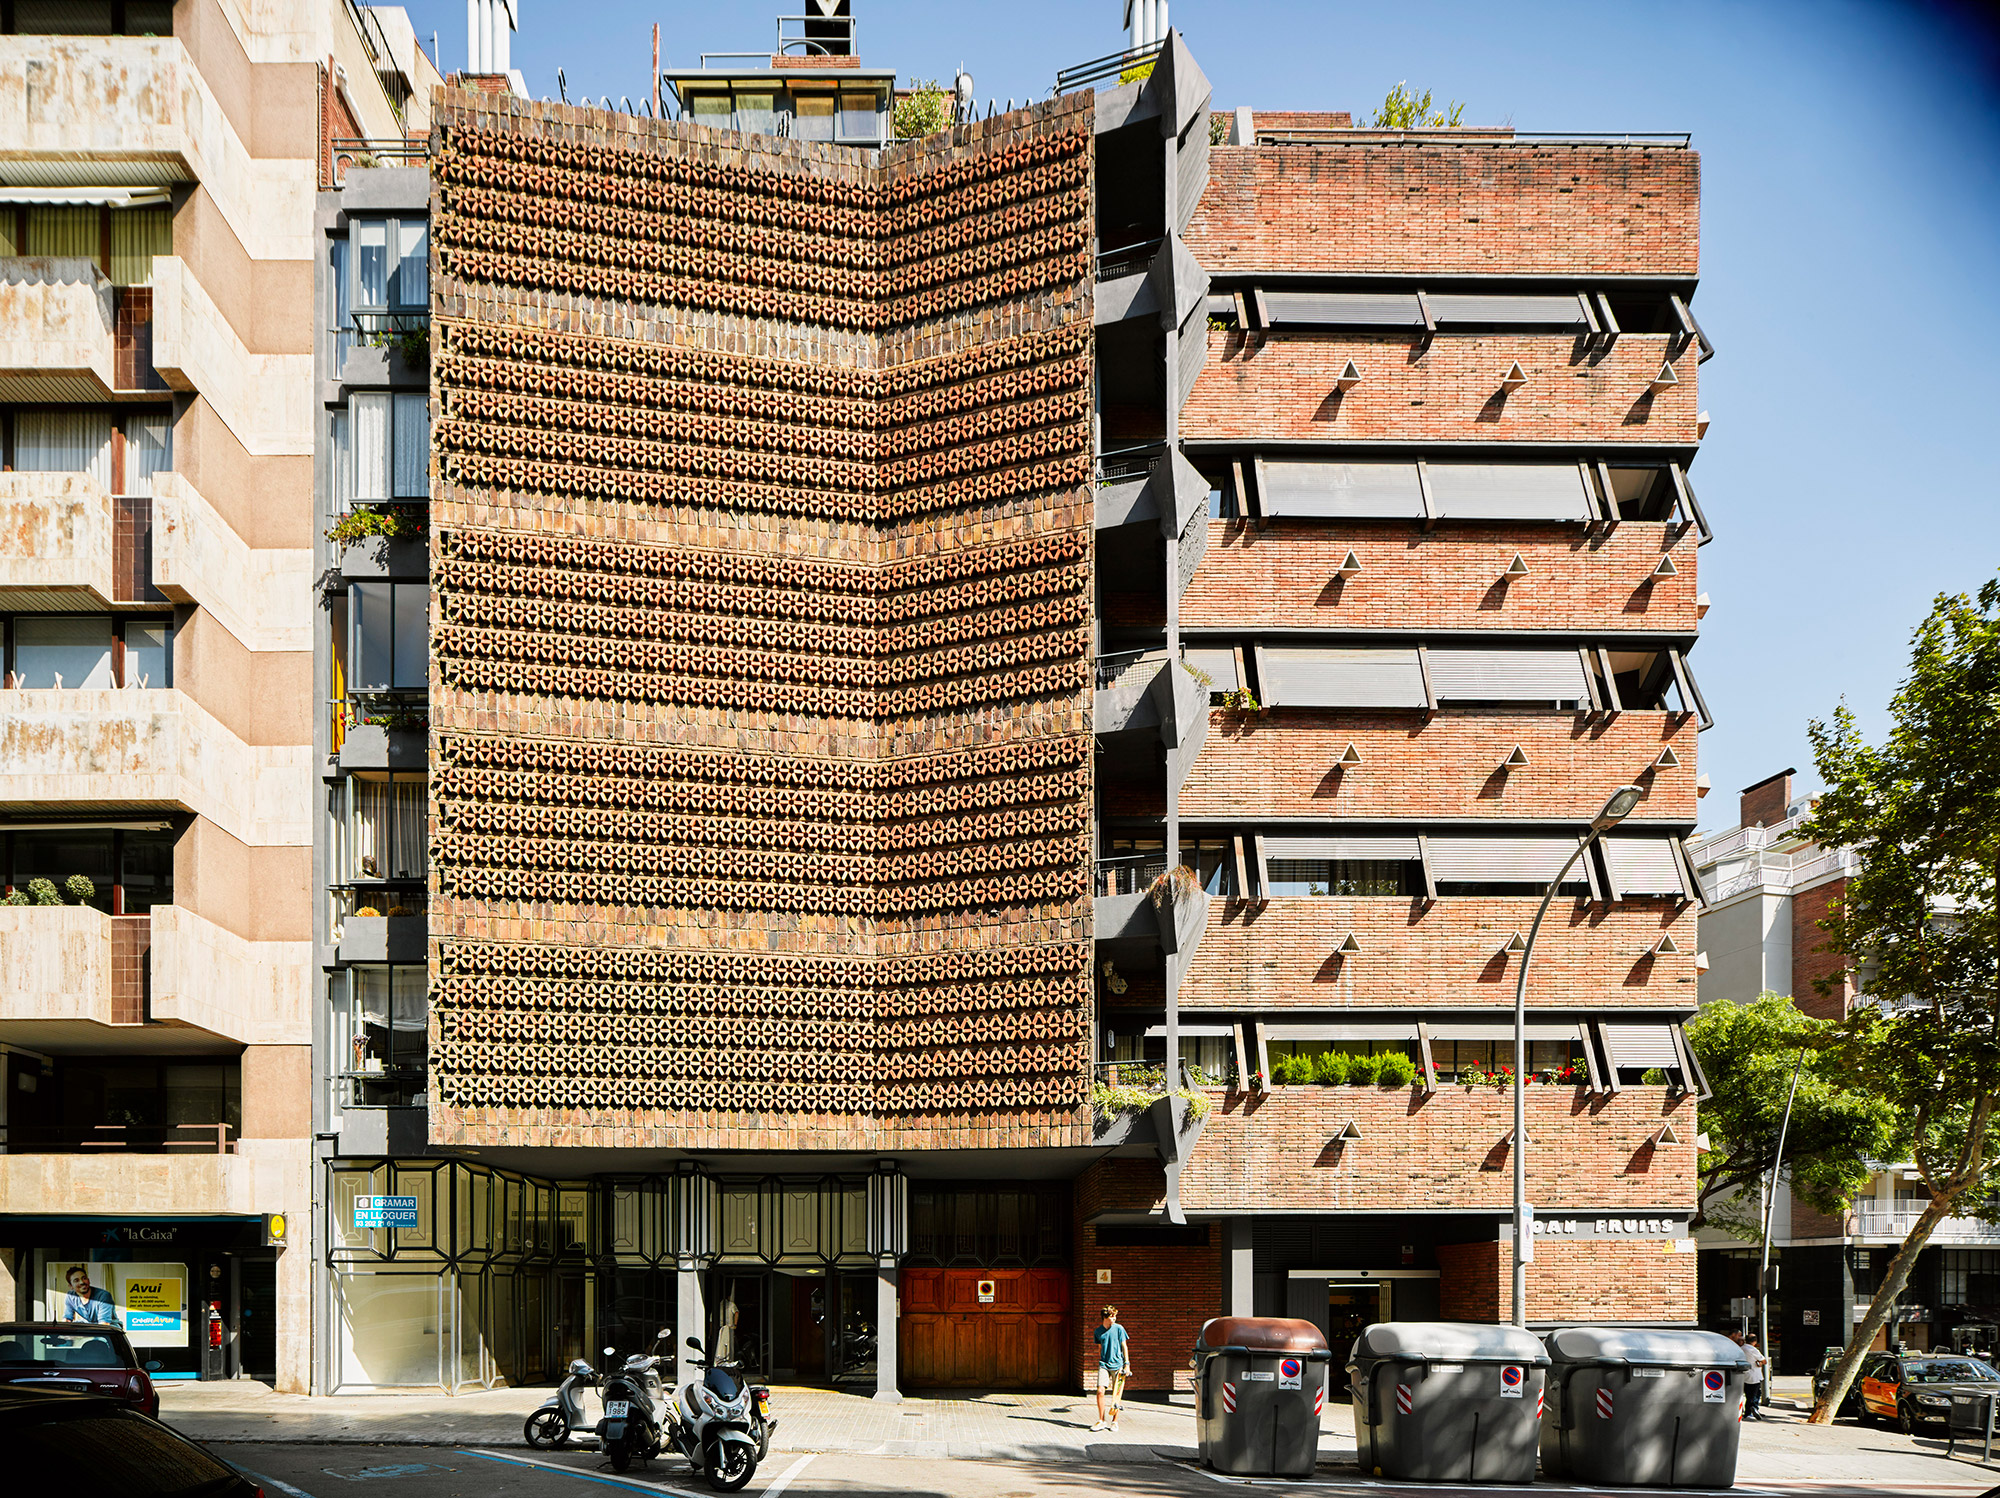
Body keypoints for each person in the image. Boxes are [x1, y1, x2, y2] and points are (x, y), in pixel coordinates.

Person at [1091, 1305, 1129, 1433]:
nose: (1115, 1319)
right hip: (1104, 1364)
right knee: (1100, 1391)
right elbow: (1100, 1349)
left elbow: (1124, 1346)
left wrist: (1127, 1364)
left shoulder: (1119, 1329)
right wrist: (1101, 1361)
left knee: (1116, 1395)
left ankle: (1115, 1421)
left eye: (1115, 1316)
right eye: (1113, 1316)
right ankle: (1101, 1420)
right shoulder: (1098, 1332)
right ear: (1106, 1317)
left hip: (1118, 1365)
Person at [1738, 1331, 1767, 1419]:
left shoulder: (1741, 1348)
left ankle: (1752, 1410)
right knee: (1754, 1394)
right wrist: (1760, 1363)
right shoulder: (1753, 1350)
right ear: (1755, 1341)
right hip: (1754, 1375)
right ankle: (1751, 1410)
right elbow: (1764, 1361)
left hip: (1744, 1375)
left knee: (1748, 1394)